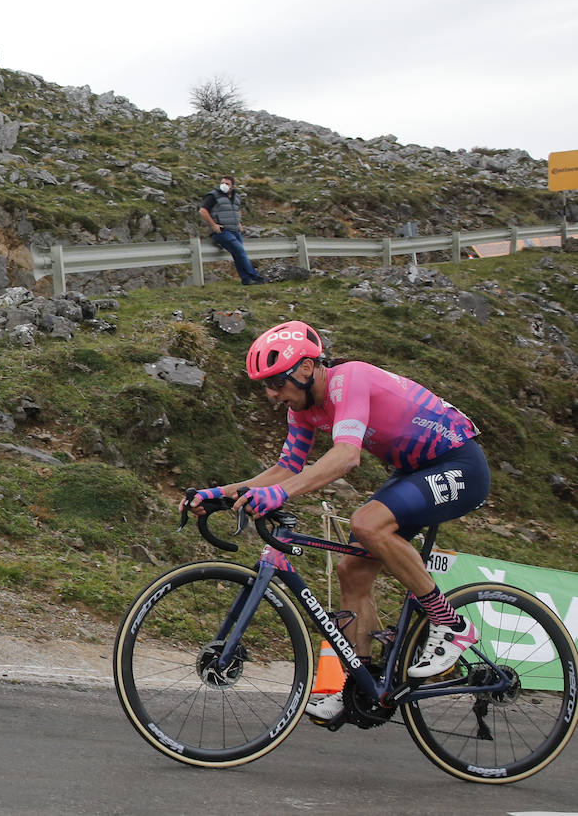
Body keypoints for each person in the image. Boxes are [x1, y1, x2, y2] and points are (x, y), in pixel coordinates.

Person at [183, 320, 490, 724]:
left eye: (277, 383)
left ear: (307, 369)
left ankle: (451, 625)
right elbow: (285, 469)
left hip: (458, 463)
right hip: (412, 472)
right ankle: (359, 686)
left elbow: (347, 456)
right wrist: (221, 493)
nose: (272, 395)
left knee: (367, 523)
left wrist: (283, 494)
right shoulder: (303, 409)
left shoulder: (350, 380)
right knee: (351, 571)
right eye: (266, 386)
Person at [199, 174, 266, 285]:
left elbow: (236, 210)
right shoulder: (213, 195)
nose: (223, 185)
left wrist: (239, 223)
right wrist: (213, 225)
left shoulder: (236, 196)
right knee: (240, 251)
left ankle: (246, 279)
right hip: (222, 231)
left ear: (232, 186)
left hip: (235, 230)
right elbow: (203, 211)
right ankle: (255, 277)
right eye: (222, 183)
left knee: (238, 254)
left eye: (227, 184)